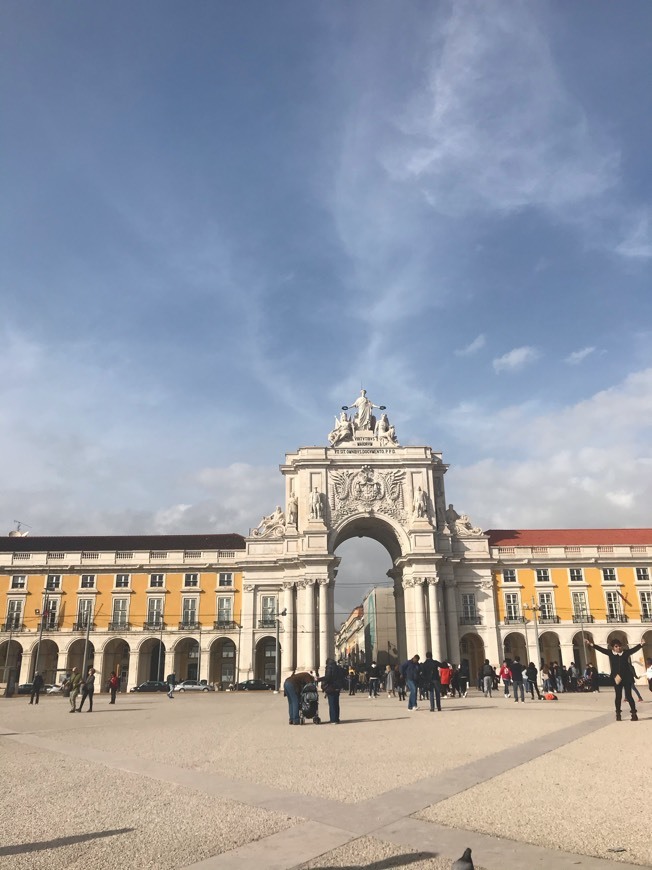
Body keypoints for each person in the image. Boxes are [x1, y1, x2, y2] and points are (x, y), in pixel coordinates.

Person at [585, 637, 644, 721]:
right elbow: (601, 649)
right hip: (616, 678)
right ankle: (618, 714)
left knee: (629, 696)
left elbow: (633, 650)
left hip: (627, 678)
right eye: (616, 646)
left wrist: (641, 644)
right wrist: (591, 644)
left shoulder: (625, 653)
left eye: (619, 646)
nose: (618, 648)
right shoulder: (610, 653)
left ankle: (634, 714)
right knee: (618, 696)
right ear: (613, 647)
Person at [320, 658, 342, 724]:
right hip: (337, 687)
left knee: (332, 703)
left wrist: (319, 679)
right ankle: (337, 719)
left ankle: (333, 719)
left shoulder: (329, 667)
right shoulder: (338, 668)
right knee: (336, 703)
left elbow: (328, 677)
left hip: (331, 687)